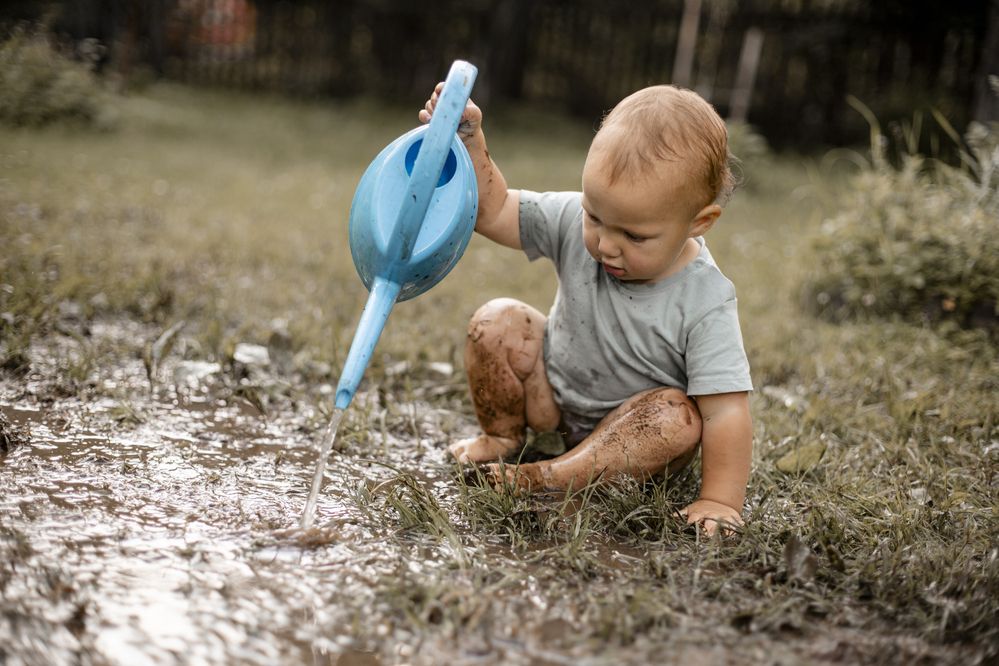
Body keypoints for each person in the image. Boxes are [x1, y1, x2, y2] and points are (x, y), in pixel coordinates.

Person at [419, 82, 753, 536]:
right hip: (552, 399)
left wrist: (719, 500)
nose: (605, 244)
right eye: (595, 216)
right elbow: (493, 211)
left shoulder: (705, 299)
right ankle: (503, 437)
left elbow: (725, 412)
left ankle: (546, 476)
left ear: (699, 221)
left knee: (679, 417)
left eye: (634, 236)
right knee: (496, 321)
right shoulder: (574, 218)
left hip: (634, 440)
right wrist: (469, 143)